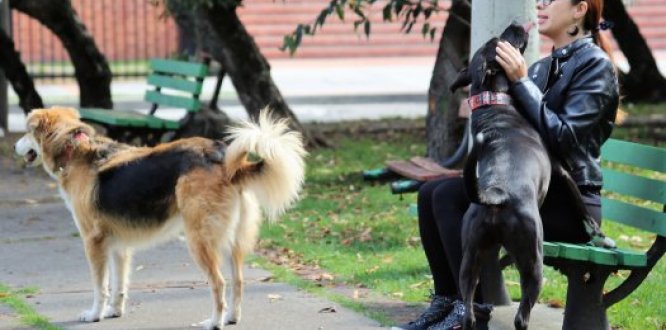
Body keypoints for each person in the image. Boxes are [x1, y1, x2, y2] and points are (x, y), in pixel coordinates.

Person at [393, 0, 619, 329]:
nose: (540, 4)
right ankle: (449, 301)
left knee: (448, 197)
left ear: (579, 9)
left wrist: (521, 83)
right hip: (527, 190)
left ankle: (473, 312)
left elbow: (565, 139)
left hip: (569, 203)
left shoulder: (594, 65)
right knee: (431, 192)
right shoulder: (543, 67)